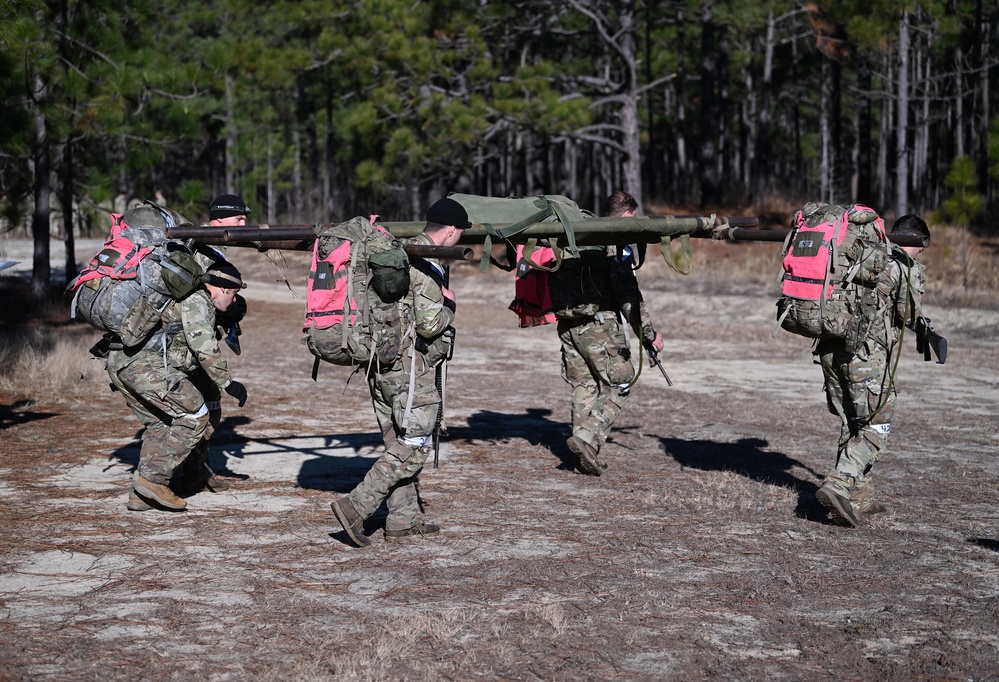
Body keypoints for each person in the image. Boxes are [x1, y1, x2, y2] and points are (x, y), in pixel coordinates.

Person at [330, 197, 467, 546]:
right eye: (459, 232)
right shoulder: (424, 264)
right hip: (411, 368)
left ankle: (401, 522)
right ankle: (355, 506)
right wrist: (450, 305)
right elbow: (430, 324)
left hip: (381, 363)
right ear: (450, 230)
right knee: (415, 443)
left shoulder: (399, 253)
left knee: (398, 440)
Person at [814, 214, 930, 527]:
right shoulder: (904, 265)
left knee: (852, 419)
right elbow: (908, 314)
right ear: (920, 241)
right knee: (878, 426)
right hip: (865, 357)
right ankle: (840, 483)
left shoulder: (856, 252)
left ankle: (860, 496)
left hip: (828, 348)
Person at [108, 259, 250, 512]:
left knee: (159, 423)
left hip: (121, 362)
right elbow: (203, 345)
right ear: (225, 289)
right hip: (145, 365)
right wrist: (228, 382)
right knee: (195, 415)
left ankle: (140, 496)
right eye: (234, 295)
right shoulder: (197, 301)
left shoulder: (187, 299)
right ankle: (152, 481)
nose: (233, 302)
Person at [547, 191, 664, 476]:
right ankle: (587, 437)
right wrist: (648, 334)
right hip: (598, 323)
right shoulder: (613, 240)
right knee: (621, 381)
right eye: (633, 219)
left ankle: (585, 453)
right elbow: (627, 295)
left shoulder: (580, 234)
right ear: (626, 215)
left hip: (568, 322)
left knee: (584, 386)